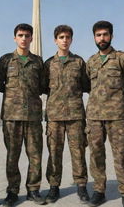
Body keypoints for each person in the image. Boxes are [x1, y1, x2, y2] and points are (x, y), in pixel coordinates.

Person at [86, 21, 124, 207]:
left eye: (105, 34)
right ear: (94, 37)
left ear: (111, 36)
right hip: (94, 118)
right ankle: (99, 191)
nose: (101, 38)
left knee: (120, 155)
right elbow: (88, 87)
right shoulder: (91, 62)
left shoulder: (121, 58)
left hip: (116, 118)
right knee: (96, 155)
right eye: (98, 35)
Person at [0, 23, 45, 207]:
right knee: (12, 156)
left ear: (32, 38)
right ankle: (12, 191)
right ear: (14, 38)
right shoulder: (6, 60)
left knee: (35, 155)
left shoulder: (38, 62)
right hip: (11, 116)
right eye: (20, 35)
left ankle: (33, 189)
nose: (24, 38)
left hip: (33, 117)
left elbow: (42, 85)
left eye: (27, 35)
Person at [43, 25, 90, 204]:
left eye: (67, 37)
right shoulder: (48, 64)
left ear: (71, 40)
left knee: (78, 152)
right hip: (54, 117)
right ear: (55, 40)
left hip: (75, 116)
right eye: (61, 37)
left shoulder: (79, 62)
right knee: (54, 153)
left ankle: (81, 186)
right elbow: (43, 86)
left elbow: (86, 85)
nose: (64, 40)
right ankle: (54, 187)